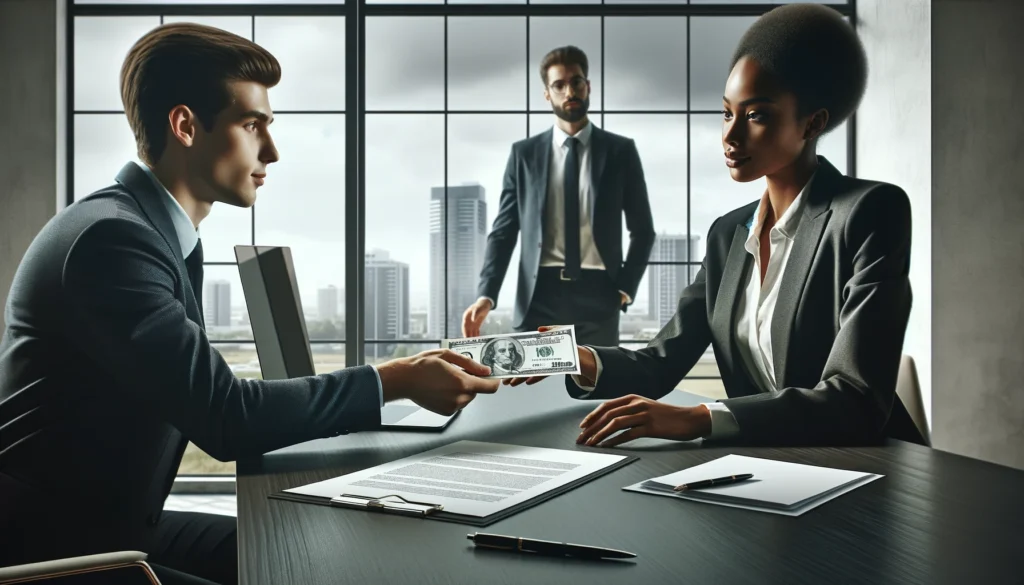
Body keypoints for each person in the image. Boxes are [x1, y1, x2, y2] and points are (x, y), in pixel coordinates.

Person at [0, 23, 498, 584]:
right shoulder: (111, 242)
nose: (273, 151)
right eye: (251, 125)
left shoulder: (149, 231)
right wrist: (393, 381)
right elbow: (224, 417)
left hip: (112, 525)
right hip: (49, 553)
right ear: (186, 125)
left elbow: (187, 382)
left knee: (302, 552)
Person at [506, 4, 923, 448]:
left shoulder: (870, 213)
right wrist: (578, 358)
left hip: (876, 471)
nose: (730, 135)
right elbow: (660, 363)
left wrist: (700, 419)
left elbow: (856, 399)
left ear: (812, 122)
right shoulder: (728, 235)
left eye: (756, 115)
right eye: (727, 113)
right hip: (770, 470)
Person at [461, 45, 655, 347]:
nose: (570, 91)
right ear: (547, 94)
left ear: (587, 86)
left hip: (600, 296)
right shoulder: (523, 155)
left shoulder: (621, 152)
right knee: (531, 390)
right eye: (559, 85)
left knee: (596, 391)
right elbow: (503, 232)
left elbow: (643, 230)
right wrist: (487, 294)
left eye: (576, 82)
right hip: (539, 296)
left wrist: (624, 290)